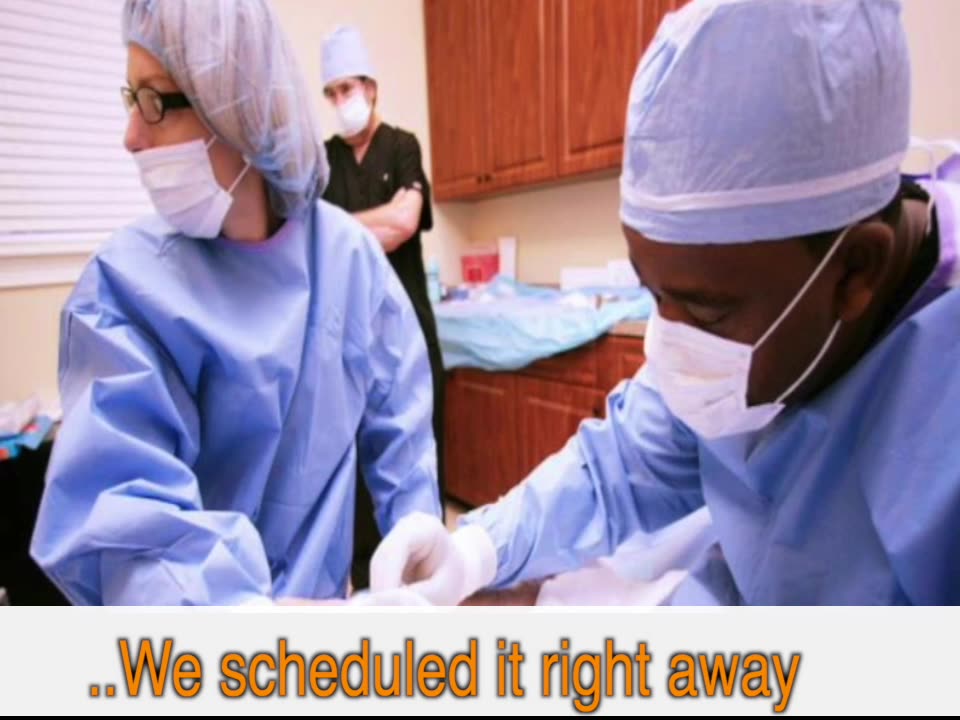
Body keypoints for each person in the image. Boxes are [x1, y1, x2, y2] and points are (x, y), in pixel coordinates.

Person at [368, 0, 960, 606]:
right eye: (654, 295)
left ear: (855, 271)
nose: (670, 342)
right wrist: (476, 552)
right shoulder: (759, 324)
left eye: (705, 311)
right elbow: (621, 466)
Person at [29, 0, 441, 605]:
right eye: (130, 99)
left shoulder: (347, 260)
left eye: (154, 101)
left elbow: (403, 434)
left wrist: (419, 544)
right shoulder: (126, 291)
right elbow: (129, 538)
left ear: (240, 108)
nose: (131, 137)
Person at [319, 26, 446, 590]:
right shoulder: (324, 161)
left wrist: (344, 226)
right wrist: (380, 218)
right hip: (348, 331)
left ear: (371, 87)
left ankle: (425, 579)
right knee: (356, 466)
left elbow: (404, 224)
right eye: (332, 92)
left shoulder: (402, 146)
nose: (341, 100)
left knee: (418, 454)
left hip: (409, 323)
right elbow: (318, 237)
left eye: (348, 87)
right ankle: (369, 585)